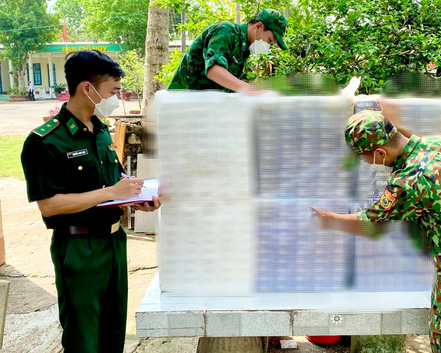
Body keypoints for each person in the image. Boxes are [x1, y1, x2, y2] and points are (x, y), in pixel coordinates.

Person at [311, 110, 441, 352]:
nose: (368, 163)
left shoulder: (409, 181)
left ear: (380, 152)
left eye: (366, 158)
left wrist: (328, 219)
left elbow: (370, 221)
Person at [20, 50, 161, 353]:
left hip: (114, 245)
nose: (117, 97)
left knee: (113, 336)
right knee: (83, 339)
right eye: (114, 91)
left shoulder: (100, 132)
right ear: (88, 88)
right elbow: (49, 206)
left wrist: (136, 198)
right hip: (79, 251)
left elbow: (111, 186)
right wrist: (112, 193)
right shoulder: (45, 141)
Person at [168, 8, 288, 92]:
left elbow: (229, 86)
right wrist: (249, 89)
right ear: (258, 27)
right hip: (182, 102)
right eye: (270, 40)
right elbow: (213, 70)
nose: (268, 47)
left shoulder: (243, 50)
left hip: (200, 109)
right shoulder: (226, 31)